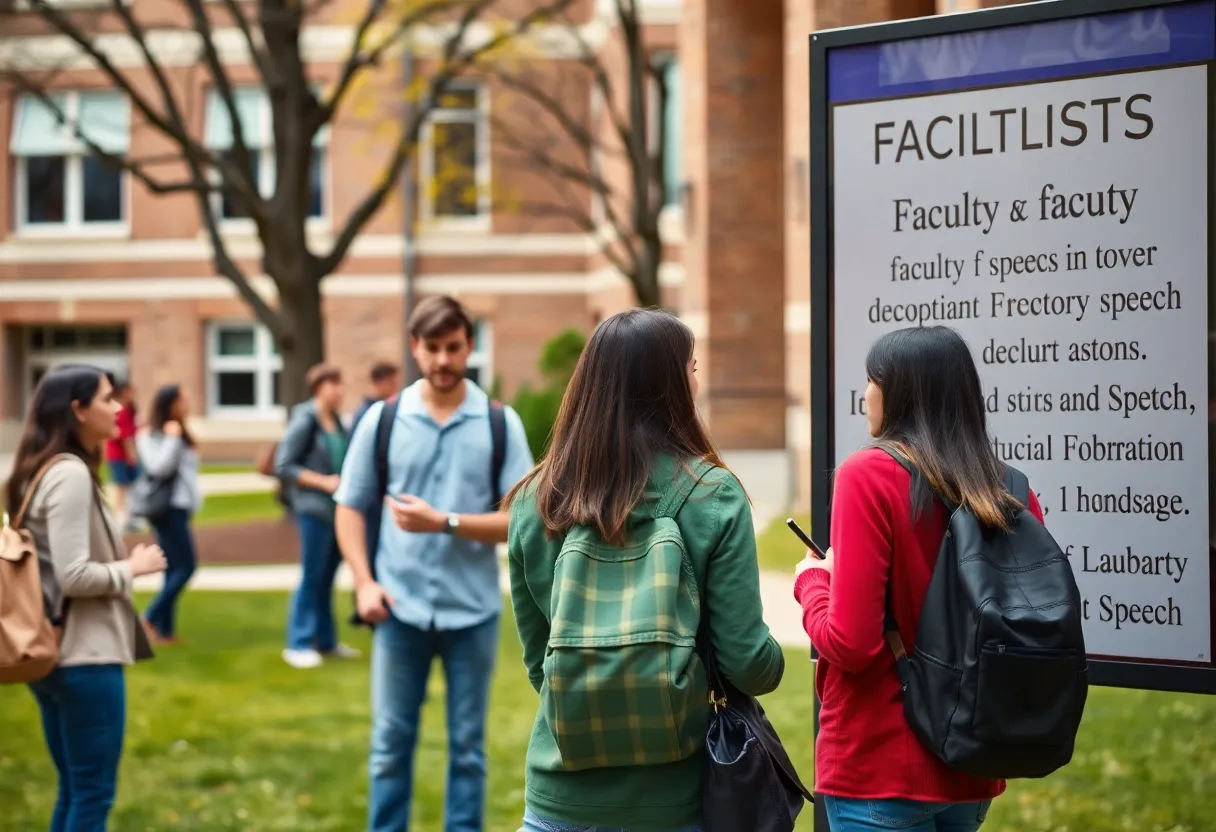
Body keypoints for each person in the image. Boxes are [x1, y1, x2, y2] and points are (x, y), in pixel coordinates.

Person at [506, 308, 785, 832]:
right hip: (676, 799)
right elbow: (748, 663)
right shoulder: (712, 493)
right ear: (670, 384)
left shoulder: (533, 500)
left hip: (558, 799)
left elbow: (541, 666)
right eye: (692, 368)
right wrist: (779, 657)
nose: (696, 382)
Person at [793, 326, 1045, 832]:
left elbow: (851, 645)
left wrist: (813, 583)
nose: (865, 394)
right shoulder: (1009, 487)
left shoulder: (867, 475)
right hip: (974, 761)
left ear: (900, 392)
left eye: (873, 380)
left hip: (880, 763)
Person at [334, 295, 533, 832]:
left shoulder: (500, 423)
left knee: (468, 750)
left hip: (473, 613)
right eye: (433, 348)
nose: (443, 359)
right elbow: (349, 506)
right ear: (414, 347)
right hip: (398, 609)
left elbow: (521, 521)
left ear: (470, 346)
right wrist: (364, 583)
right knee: (389, 746)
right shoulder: (383, 420)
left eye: (454, 347)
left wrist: (444, 522)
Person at [5, 364, 166, 831]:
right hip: (84, 656)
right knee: (92, 794)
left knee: (75, 790)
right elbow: (74, 575)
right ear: (77, 410)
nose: (118, 408)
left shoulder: (40, 470)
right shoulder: (69, 474)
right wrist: (132, 568)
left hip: (57, 653)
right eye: (107, 398)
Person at [275, 363, 360, 669]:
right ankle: (298, 643)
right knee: (312, 575)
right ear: (319, 388)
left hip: (336, 511)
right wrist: (322, 482)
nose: (341, 390)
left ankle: (326, 641)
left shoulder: (337, 422)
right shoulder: (305, 420)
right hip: (313, 509)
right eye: (335, 384)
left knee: (327, 577)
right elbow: (284, 465)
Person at [136, 385, 203, 646]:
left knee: (173, 568)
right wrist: (172, 439)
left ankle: (165, 631)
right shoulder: (149, 435)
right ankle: (149, 617)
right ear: (170, 404)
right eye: (182, 400)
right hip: (165, 509)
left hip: (181, 507)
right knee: (187, 567)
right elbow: (158, 468)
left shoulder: (181, 431)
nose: (187, 404)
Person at [102, 378, 140, 532]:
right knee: (121, 487)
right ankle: (120, 519)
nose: (133, 394)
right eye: (130, 391)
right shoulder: (122, 410)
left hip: (122, 455)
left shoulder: (129, 409)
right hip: (119, 456)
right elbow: (125, 436)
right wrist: (131, 454)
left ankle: (128, 518)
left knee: (128, 487)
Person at [351, 361, 402, 434]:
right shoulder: (366, 414)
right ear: (377, 383)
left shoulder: (387, 409)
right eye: (391, 382)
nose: (396, 388)